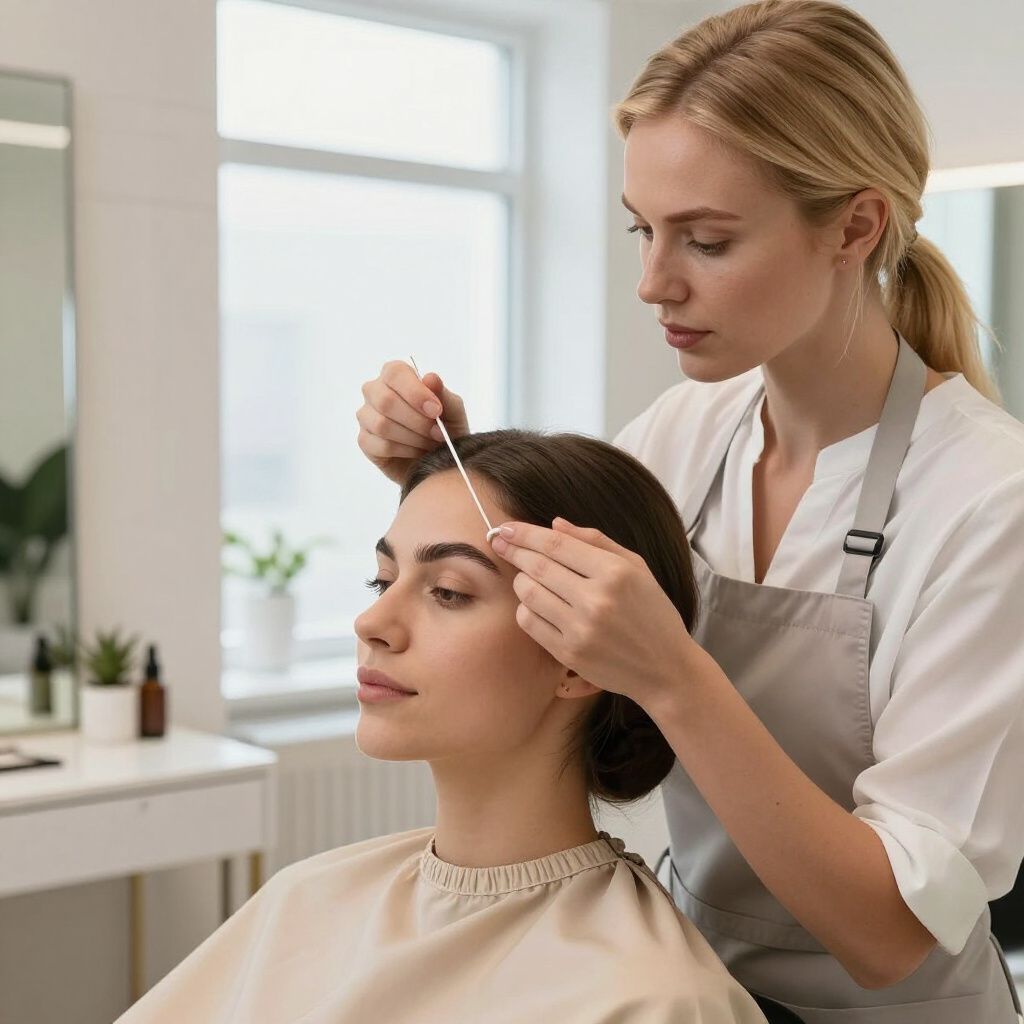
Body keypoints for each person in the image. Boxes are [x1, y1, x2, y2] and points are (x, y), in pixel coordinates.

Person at [355, 2, 1024, 1020]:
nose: (652, 283)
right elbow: (545, 639)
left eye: (706, 241)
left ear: (855, 226)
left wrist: (673, 673)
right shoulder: (683, 433)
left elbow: (892, 932)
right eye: (643, 229)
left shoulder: (989, 502)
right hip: (697, 983)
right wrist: (449, 471)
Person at [115, 430, 768, 1024]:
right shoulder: (306, 898)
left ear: (582, 657)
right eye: (383, 580)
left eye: (449, 591)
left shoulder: (649, 1001)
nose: (370, 624)